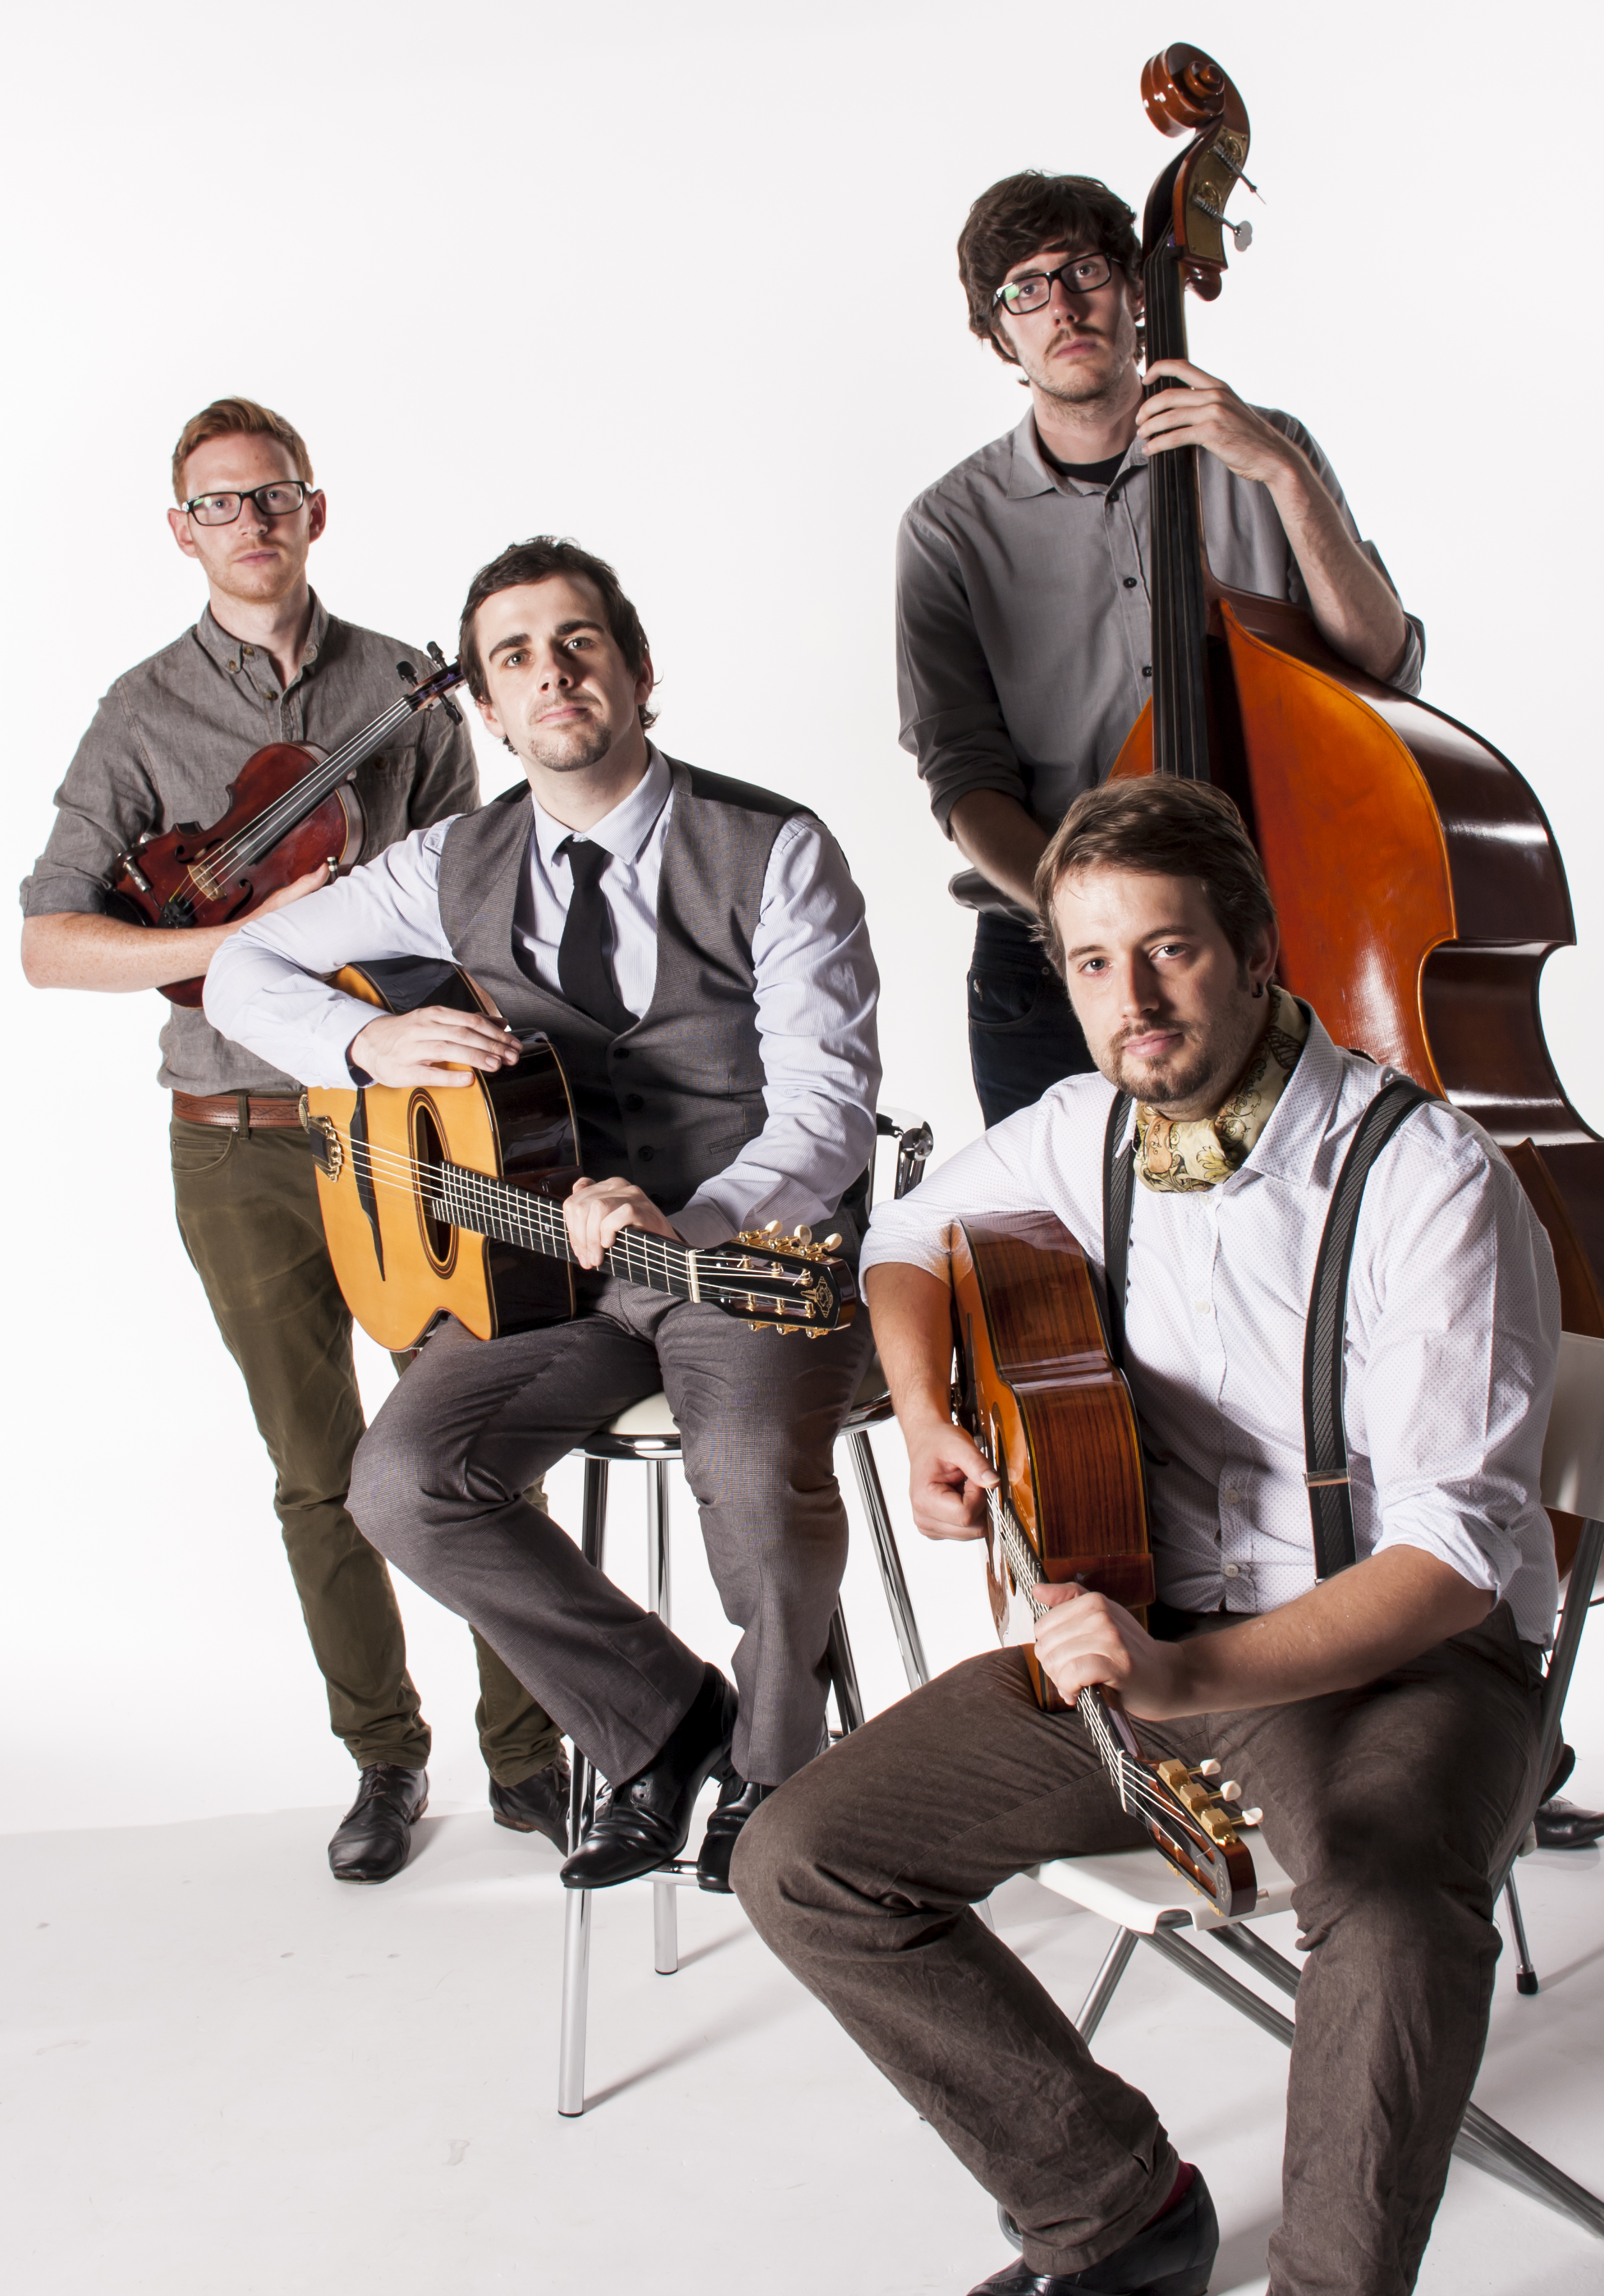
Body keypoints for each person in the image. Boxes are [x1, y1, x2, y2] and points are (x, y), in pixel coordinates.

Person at [735, 773, 1560, 2296]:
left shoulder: (1428, 1180)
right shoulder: (1081, 1131)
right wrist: (923, 1415)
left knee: (1385, 1909)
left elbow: (1451, 1562)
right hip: (1144, 1627)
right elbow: (907, 1236)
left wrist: (1188, 1681)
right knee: (801, 1858)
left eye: (1170, 950)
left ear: (1256, 950)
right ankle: (1114, 2214)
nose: (1135, 1002)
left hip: (1398, 1663)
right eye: (1095, 963)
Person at [204, 535, 881, 1893]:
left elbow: (829, 1108)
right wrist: (364, 1046)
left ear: (639, 672)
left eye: (579, 643)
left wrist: (695, 1219)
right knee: (402, 1483)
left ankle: (774, 1770)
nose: (551, 672)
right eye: (514, 656)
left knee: (749, 1463)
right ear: (489, 710)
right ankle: (663, 1725)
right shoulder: (449, 860)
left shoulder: (776, 847)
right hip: (544, 1270)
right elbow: (241, 965)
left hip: (744, 1254)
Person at [20, 396, 567, 1886]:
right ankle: (385, 1758)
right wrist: (239, 941)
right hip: (238, 1137)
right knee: (317, 1469)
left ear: (315, 512)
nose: (250, 522)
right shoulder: (140, 714)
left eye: (274, 495)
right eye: (220, 502)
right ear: (181, 529)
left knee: (474, 1441)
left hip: (405, 1123)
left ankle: (533, 1755)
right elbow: (50, 944)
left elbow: (470, 903)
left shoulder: (404, 686)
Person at [896, 170, 1425, 1125]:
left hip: (1289, 912)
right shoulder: (948, 529)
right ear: (997, 333)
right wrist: (1095, 921)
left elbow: (1384, 669)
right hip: (1055, 954)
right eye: (1025, 289)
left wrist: (1280, 471)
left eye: (1085, 270)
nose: (1063, 307)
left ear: (1138, 288)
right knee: (1067, 1224)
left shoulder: (1268, 450)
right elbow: (965, 779)